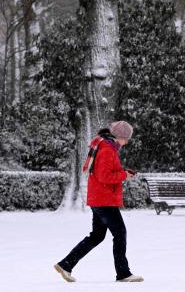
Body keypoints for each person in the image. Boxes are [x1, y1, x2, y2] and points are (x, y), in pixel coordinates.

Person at [54, 121, 143, 283]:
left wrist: (123, 172)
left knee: (97, 236)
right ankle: (123, 273)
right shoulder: (108, 149)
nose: (127, 142)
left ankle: (66, 264)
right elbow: (104, 177)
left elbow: (107, 172)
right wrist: (124, 176)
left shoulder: (105, 146)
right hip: (104, 200)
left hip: (99, 199)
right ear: (120, 136)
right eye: (126, 138)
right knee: (120, 233)